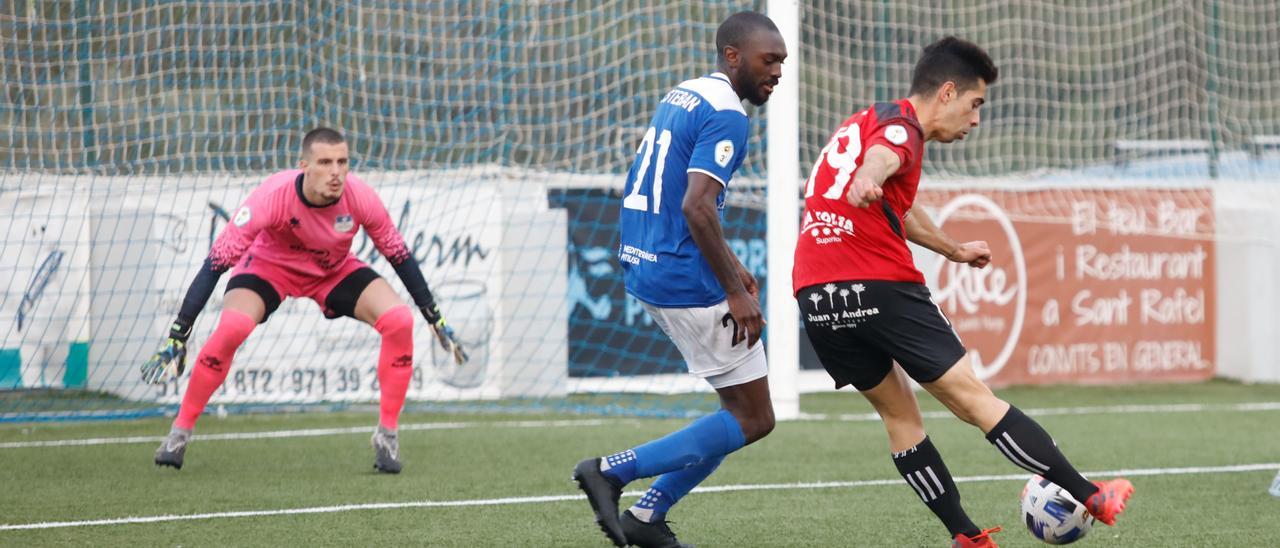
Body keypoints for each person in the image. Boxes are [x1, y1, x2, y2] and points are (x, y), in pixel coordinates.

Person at [792, 37, 1133, 548]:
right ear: (947, 92)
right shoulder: (902, 128)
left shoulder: (862, 122)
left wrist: (951, 248)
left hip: (817, 293)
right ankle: (1090, 495)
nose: (975, 120)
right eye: (975, 105)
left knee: (900, 418)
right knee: (975, 401)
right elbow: (885, 158)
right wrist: (870, 173)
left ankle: (966, 536)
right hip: (880, 284)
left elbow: (896, 208)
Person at [572, 11, 786, 548]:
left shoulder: (685, 93)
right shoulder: (730, 116)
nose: (778, 72)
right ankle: (612, 471)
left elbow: (673, 193)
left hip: (647, 261)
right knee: (755, 417)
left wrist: (733, 264)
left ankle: (647, 519)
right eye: (769, 59)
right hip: (683, 277)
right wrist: (734, 291)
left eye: (782, 61)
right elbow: (696, 207)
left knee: (737, 410)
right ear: (732, 56)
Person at [140, 127, 467, 474]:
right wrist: (180, 332)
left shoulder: (360, 197)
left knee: (400, 320)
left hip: (332, 271)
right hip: (269, 269)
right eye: (325, 162)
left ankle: (387, 436)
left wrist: (434, 317)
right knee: (233, 326)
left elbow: (398, 255)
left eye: (342, 162)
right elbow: (215, 264)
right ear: (304, 166)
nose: (336, 172)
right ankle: (179, 434)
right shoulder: (272, 197)